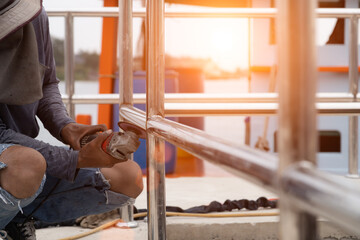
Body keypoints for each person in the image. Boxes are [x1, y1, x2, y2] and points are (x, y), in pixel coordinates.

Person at [0, 0, 143, 239]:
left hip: (12, 155)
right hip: (13, 157)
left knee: (127, 176)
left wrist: (66, 126)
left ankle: (13, 218)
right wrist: (75, 160)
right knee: (26, 166)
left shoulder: (31, 13)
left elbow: (46, 83)